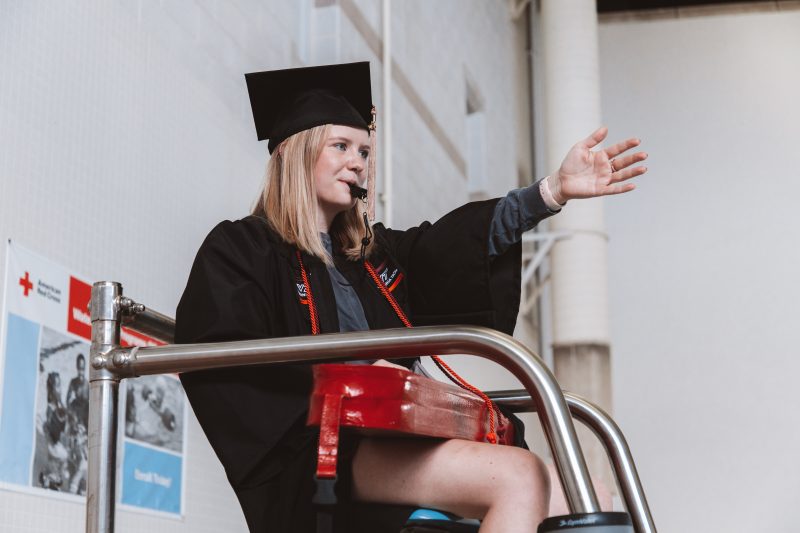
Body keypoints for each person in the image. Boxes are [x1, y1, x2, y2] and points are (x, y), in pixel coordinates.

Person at [175, 62, 647, 533]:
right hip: (316, 452)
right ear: (297, 152)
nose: (357, 161)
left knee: (585, 492)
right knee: (520, 477)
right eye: (340, 146)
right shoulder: (242, 250)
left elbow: (455, 245)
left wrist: (552, 191)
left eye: (363, 150)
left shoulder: (371, 259)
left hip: (395, 437)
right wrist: (347, 381)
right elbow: (223, 357)